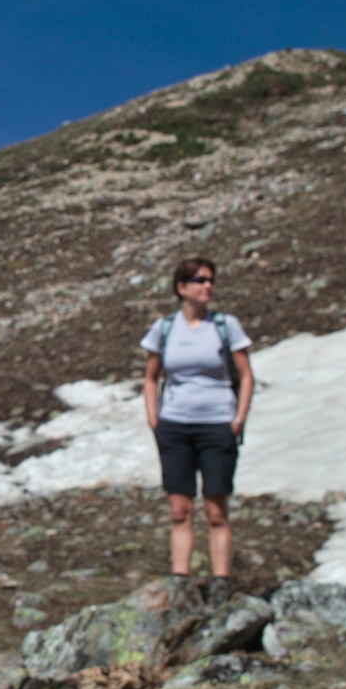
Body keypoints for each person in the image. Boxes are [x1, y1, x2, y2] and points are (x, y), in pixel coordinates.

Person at [141, 257, 255, 609]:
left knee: (216, 509)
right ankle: (181, 581)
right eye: (199, 280)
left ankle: (221, 582)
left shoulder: (225, 326)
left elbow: (247, 375)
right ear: (181, 287)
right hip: (174, 425)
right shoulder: (164, 328)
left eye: (211, 280)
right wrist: (154, 419)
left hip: (217, 424)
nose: (207, 286)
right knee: (180, 509)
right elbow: (150, 377)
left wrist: (237, 419)